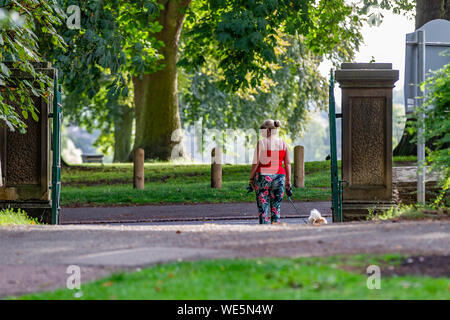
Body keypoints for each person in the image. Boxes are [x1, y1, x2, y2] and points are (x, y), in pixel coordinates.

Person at [249, 119, 291, 224]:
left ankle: (264, 230)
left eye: (262, 130)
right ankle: (275, 229)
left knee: (263, 208)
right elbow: (288, 164)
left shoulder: (262, 143)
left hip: (263, 177)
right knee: (276, 207)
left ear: (267, 130)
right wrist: (288, 181)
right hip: (279, 177)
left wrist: (251, 178)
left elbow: (256, 162)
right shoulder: (283, 144)